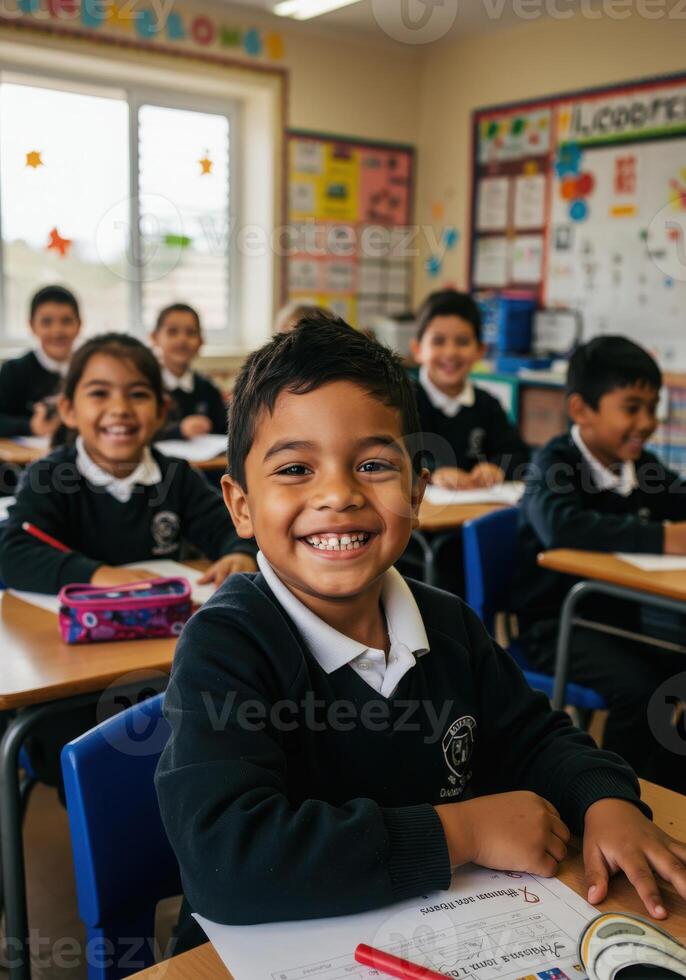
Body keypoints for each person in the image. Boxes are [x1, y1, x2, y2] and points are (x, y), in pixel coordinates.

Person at [156, 315, 686, 949]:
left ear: (418, 488)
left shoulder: (447, 623)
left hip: (436, 932)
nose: (339, 495)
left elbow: (536, 737)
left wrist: (606, 801)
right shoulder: (227, 648)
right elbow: (229, 863)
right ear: (240, 505)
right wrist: (460, 833)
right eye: (296, 469)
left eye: (374, 464)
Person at [511, 335, 686, 793]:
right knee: (642, 688)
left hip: (623, 619)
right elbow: (560, 527)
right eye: (631, 408)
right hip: (557, 626)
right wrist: (664, 537)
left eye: (652, 408)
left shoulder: (641, 468)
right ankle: (619, 796)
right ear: (581, 410)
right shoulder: (554, 463)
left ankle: (668, 788)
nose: (645, 423)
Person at [0, 333, 257, 593]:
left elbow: (235, 529)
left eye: (137, 394)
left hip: (160, 625)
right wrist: (99, 575)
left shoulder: (176, 477)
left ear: (161, 411)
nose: (120, 408)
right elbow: (12, 555)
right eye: (99, 393)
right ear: (68, 410)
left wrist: (240, 554)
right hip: (63, 628)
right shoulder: (48, 476)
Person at [411, 289, 528, 488]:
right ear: (418, 350)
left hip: (476, 511)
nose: (450, 352)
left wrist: (496, 467)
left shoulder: (488, 405)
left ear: (480, 351)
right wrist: (434, 472)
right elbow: (391, 456)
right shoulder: (400, 400)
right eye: (438, 341)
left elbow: (518, 454)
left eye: (463, 342)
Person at [0, 284, 82, 439]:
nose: (57, 331)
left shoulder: (89, 369)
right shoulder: (14, 370)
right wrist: (30, 426)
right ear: (32, 325)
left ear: (79, 325)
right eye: (46, 322)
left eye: (66, 321)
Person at [150, 303, 227, 441]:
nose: (182, 339)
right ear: (154, 338)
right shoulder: (147, 387)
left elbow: (224, 430)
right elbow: (141, 432)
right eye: (172, 332)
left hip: (205, 462)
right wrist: (179, 430)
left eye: (191, 333)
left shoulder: (208, 388)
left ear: (201, 342)